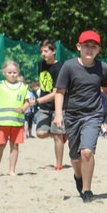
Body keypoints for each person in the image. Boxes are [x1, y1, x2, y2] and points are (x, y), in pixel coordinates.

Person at [53, 30, 107, 203]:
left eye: (94, 47)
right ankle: (78, 176)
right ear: (79, 47)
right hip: (72, 116)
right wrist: (59, 114)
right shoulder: (69, 66)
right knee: (75, 158)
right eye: (86, 46)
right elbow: (60, 92)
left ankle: (87, 190)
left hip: (93, 115)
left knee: (86, 152)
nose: (89, 50)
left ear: (98, 49)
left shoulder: (103, 68)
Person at [0, 60, 30, 176]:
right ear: (4, 73)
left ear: (18, 73)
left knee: (15, 146)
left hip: (17, 123)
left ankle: (12, 170)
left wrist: (23, 108)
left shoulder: (23, 87)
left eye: (15, 72)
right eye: (10, 72)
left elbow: (27, 102)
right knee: (0, 145)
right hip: (2, 122)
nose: (12, 74)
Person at [33, 39, 67, 169]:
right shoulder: (41, 64)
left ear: (54, 51)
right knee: (40, 133)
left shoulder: (60, 68)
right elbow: (43, 84)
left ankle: (59, 165)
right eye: (41, 51)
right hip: (44, 107)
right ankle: (61, 133)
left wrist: (36, 101)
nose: (43, 54)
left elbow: (56, 93)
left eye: (46, 51)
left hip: (58, 107)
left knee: (58, 136)